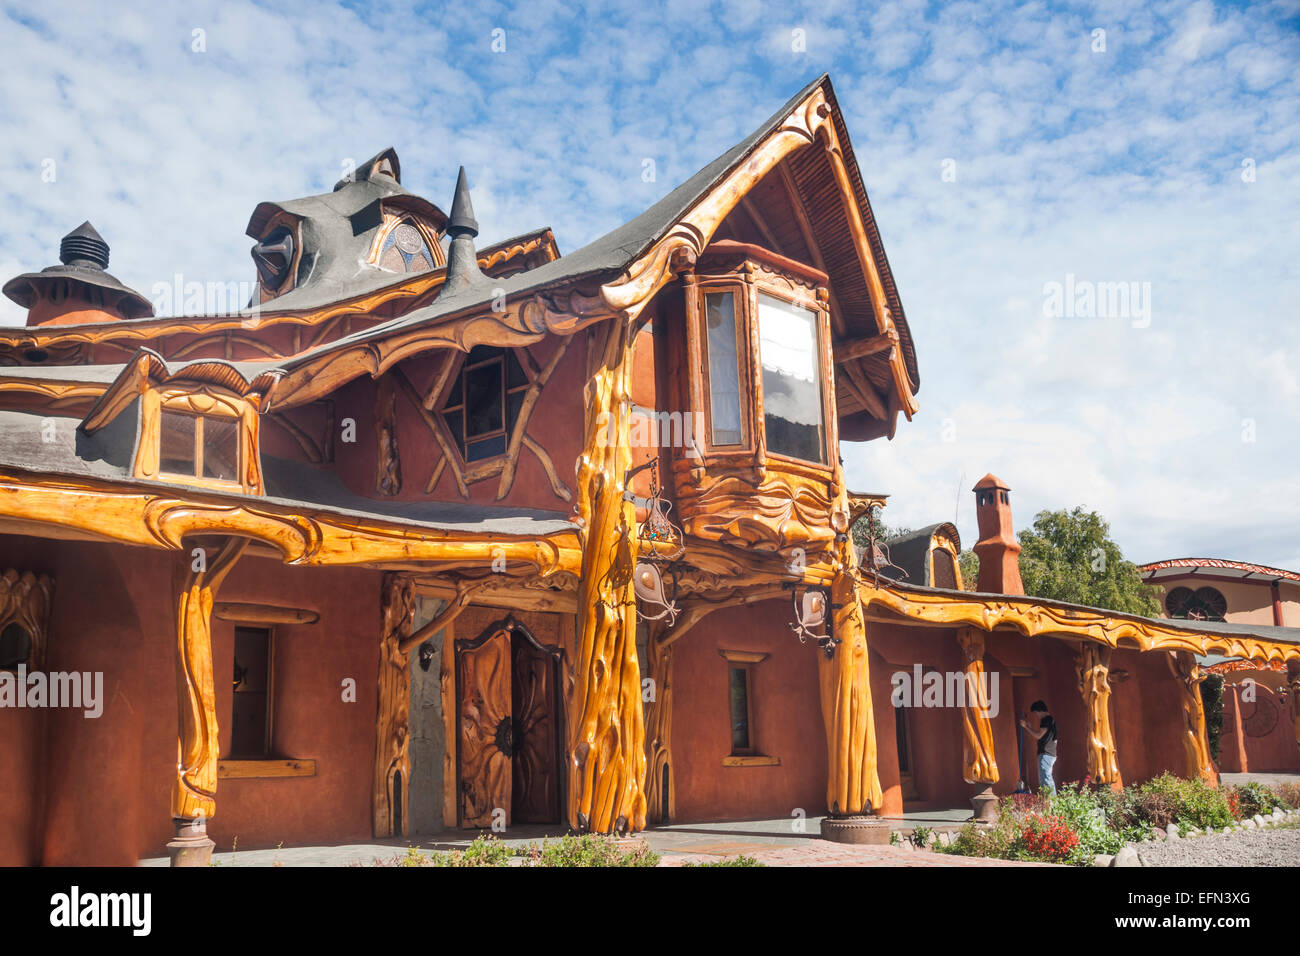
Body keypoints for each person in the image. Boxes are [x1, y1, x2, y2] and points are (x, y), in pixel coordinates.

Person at [1019, 701, 1058, 794]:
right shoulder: (1051, 720)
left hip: (1046, 753)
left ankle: (1052, 804)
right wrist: (1029, 727)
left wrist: (1026, 727)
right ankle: (1051, 803)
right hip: (1049, 754)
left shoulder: (1046, 719)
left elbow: (1038, 735)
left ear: (1040, 711)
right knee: (1046, 779)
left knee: (1046, 779)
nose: (1037, 715)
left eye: (1036, 713)